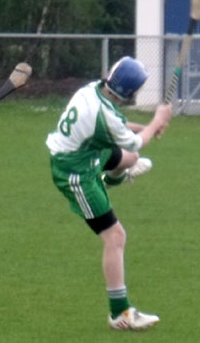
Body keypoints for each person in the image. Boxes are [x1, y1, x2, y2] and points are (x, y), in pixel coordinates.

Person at [46, 56, 172, 330]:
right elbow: (136, 139)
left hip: (85, 151)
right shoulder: (103, 116)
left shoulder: (92, 89)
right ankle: (120, 313)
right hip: (75, 173)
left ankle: (115, 178)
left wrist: (150, 126)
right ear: (131, 93)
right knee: (115, 236)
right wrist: (156, 121)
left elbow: (119, 126)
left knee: (129, 157)